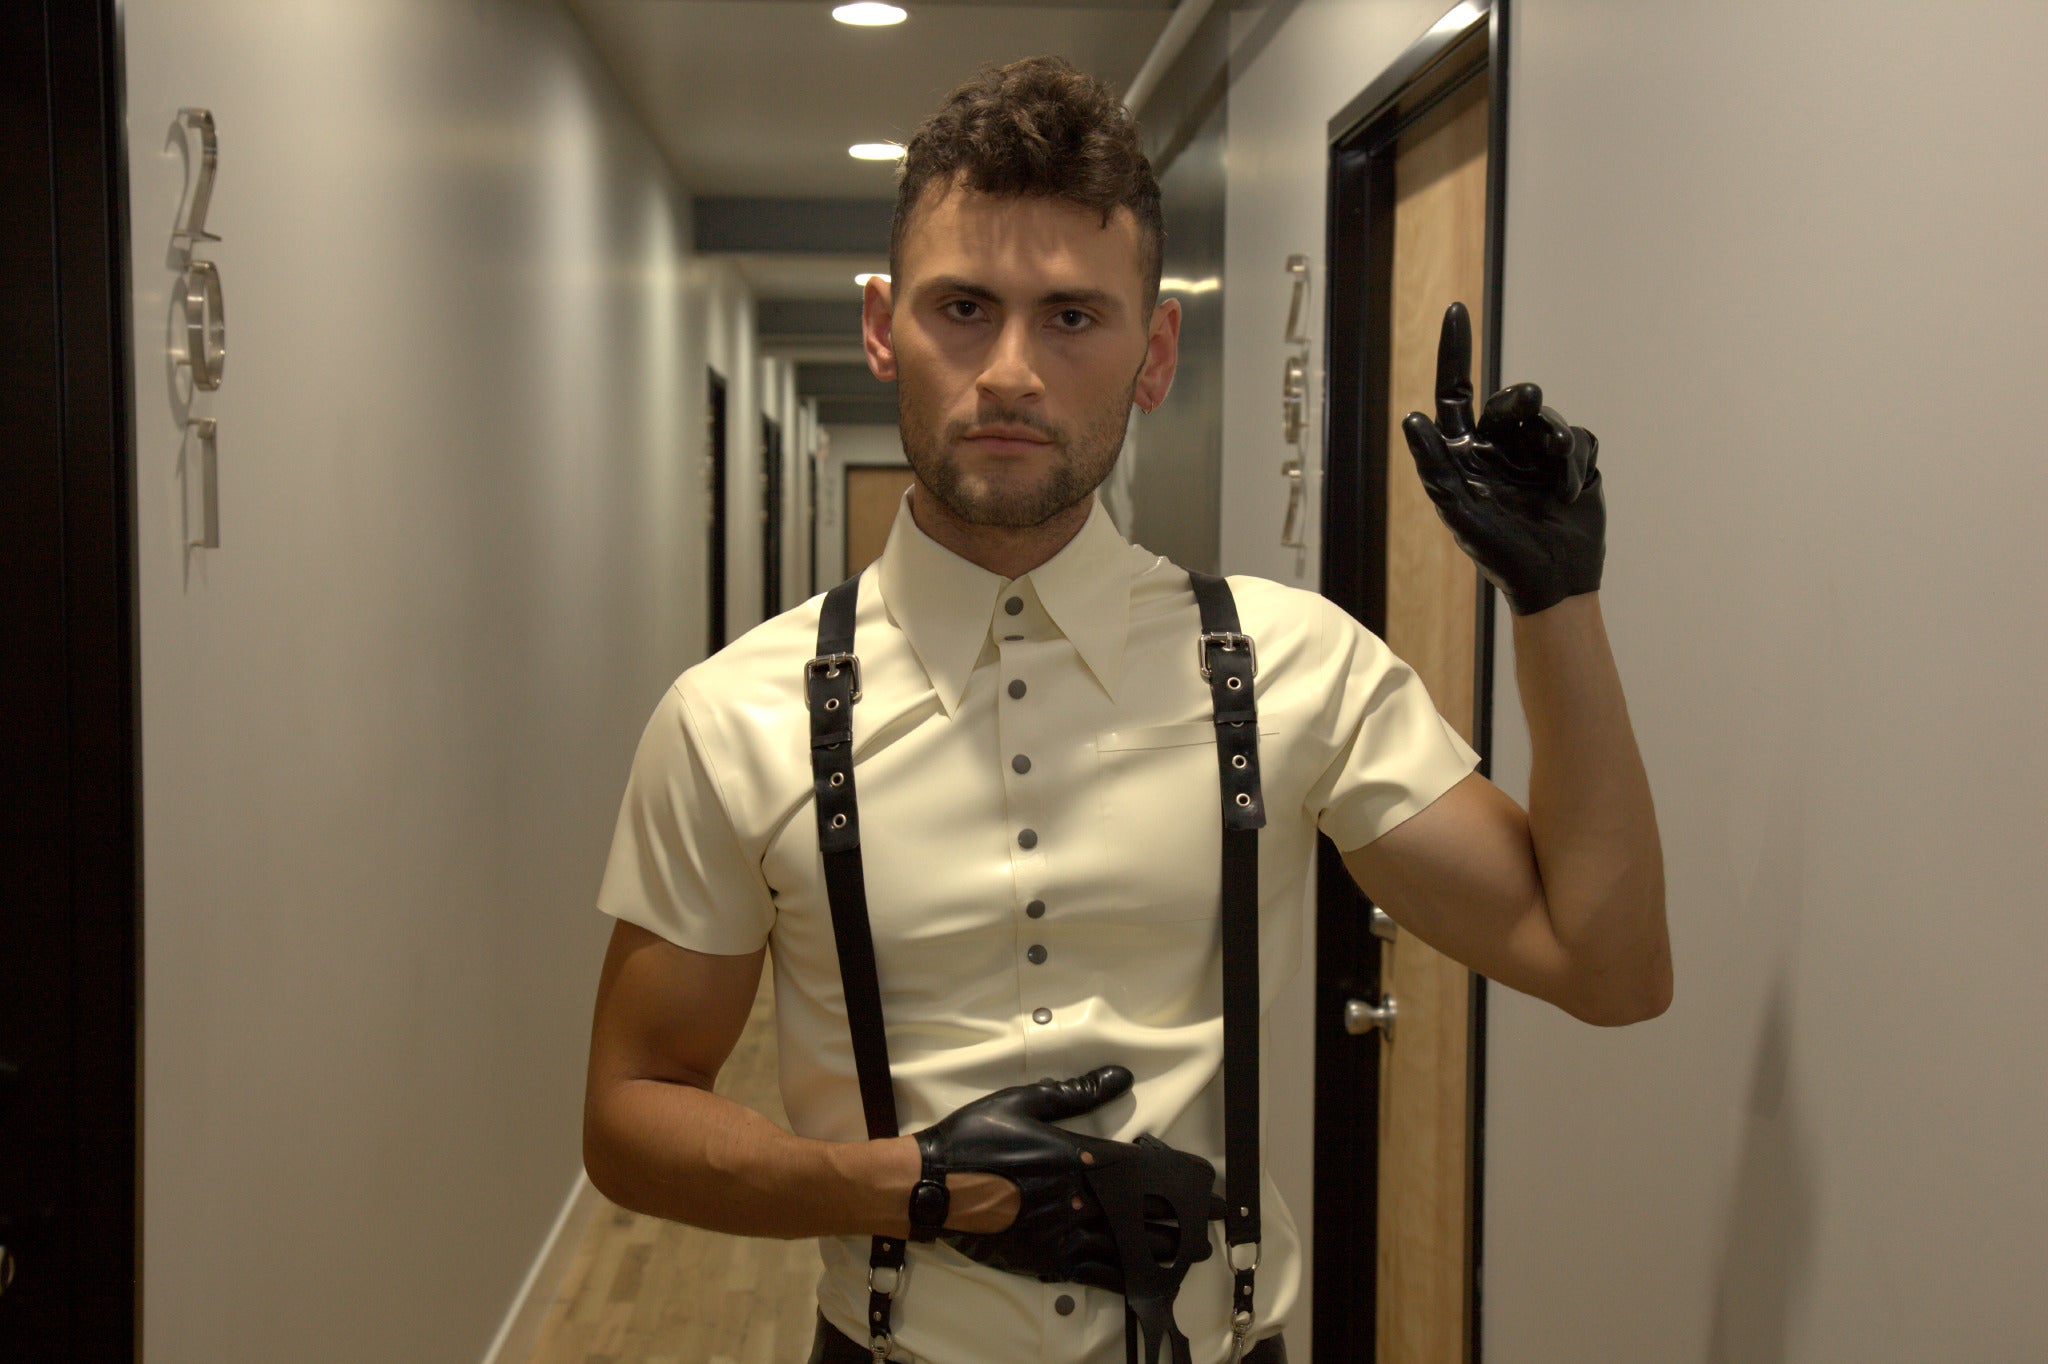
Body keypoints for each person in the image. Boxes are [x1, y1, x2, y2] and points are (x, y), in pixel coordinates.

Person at [581, 55, 1668, 1364]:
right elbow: (632, 1116)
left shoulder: (1292, 667)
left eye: (1072, 317)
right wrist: (902, 1187)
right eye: (963, 308)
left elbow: (1604, 966)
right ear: (881, 328)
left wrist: (1556, 603)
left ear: (1154, 356)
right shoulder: (730, 718)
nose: (1011, 371)